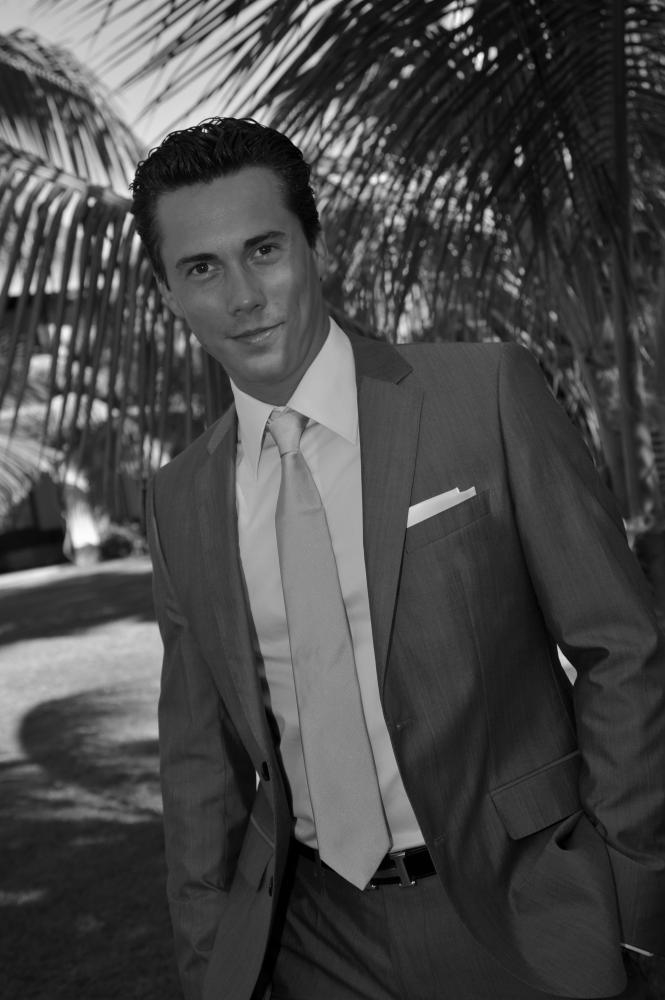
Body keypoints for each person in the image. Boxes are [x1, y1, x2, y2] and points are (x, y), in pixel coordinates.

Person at [131, 117, 665, 1000]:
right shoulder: (178, 498)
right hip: (312, 941)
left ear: (314, 247)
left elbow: (622, 650)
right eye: (201, 268)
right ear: (168, 295)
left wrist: (632, 895)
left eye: (263, 249)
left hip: (525, 914)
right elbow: (199, 764)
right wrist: (209, 964)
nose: (243, 296)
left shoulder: (484, 394)